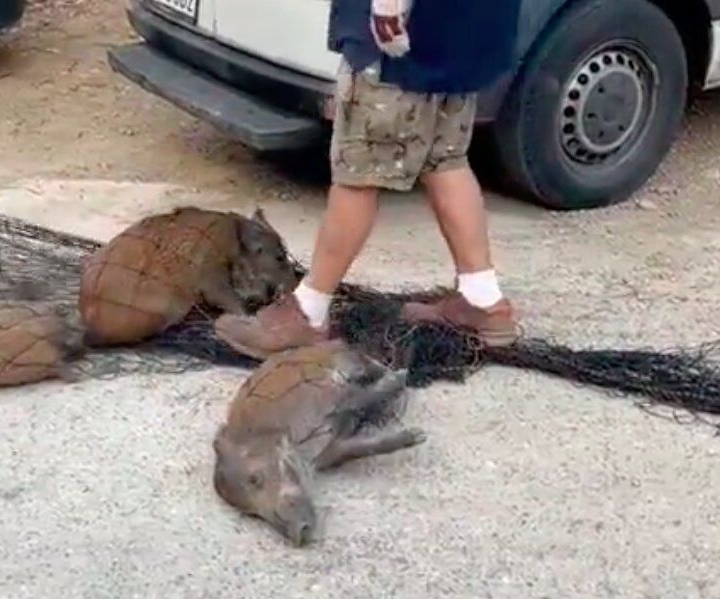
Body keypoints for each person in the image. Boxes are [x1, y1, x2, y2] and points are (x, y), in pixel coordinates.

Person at [213, 0, 522, 359]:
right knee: (445, 159)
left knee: (358, 173)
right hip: (462, 34)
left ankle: (308, 313)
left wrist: (388, 7)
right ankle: (482, 300)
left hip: (399, 39)